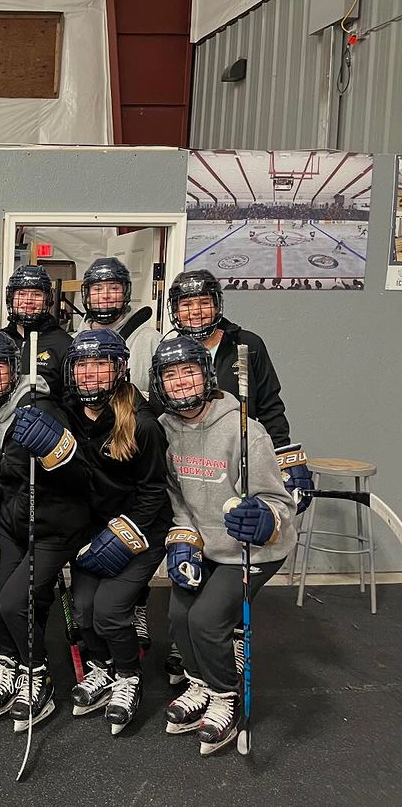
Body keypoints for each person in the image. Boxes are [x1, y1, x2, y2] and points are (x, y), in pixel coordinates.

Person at [152, 335, 296, 755]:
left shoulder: (244, 429)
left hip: (253, 548)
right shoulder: (165, 430)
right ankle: (199, 684)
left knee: (207, 621)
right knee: (179, 615)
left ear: (206, 375)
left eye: (189, 371)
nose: (180, 381)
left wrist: (264, 517)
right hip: (204, 543)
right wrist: (183, 537)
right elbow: (176, 498)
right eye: (170, 374)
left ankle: (225, 696)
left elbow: (279, 501)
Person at [165, 269, 312, 682]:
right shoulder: (171, 349)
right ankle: (195, 648)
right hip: (200, 469)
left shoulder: (247, 345)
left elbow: (270, 406)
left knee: (242, 537)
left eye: (202, 302)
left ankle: (221, 639)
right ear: (175, 310)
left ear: (217, 303)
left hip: (244, 456)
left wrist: (286, 458)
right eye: (185, 304)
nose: (195, 311)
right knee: (192, 600)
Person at [0, 331, 92, 732]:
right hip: (11, 525)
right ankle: (9, 661)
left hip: (52, 527)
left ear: (14, 370)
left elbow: (81, 476)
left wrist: (56, 452)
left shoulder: (41, 407)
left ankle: (39, 675)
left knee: (15, 602)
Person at [63, 329, 171, 735]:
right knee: (85, 609)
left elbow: (154, 493)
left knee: (109, 613)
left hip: (142, 532)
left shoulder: (142, 424)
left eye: (101, 363)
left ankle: (128, 677)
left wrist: (125, 535)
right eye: (83, 365)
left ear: (120, 368)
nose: (91, 372)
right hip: (94, 532)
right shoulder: (69, 412)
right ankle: (101, 669)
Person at [78, 257, 161, 399]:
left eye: (114, 288)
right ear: (87, 296)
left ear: (125, 293)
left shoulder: (151, 339)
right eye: (97, 289)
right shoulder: (73, 341)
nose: (105, 295)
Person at [0, 263, 72, 397]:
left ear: (47, 300)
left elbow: (71, 399)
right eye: (21, 294)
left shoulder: (64, 344)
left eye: (36, 295)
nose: (28, 300)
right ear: (11, 298)